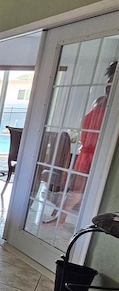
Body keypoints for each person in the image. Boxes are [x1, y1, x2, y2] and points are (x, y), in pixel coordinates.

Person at [46, 60, 116, 225]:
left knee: (83, 189)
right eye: (109, 82)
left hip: (99, 153)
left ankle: (62, 216)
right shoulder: (100, 101)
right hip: (86, 152)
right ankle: (60, 216)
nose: (109, 86)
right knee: (76, 187)